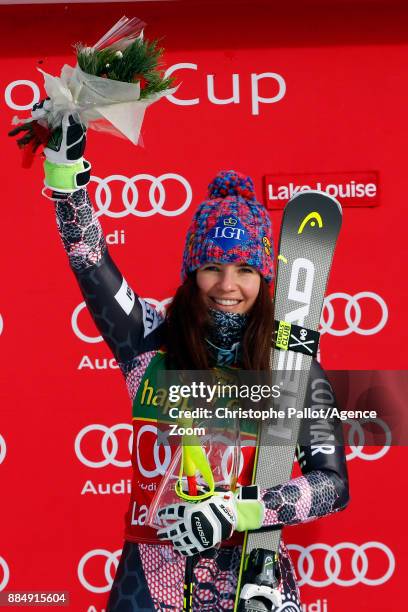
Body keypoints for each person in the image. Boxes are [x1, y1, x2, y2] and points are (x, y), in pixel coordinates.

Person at [40, 112, 349, 611]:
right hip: (146, 586)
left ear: (265, 277)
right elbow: (90, 260)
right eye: (212, 267)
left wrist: (236, 513)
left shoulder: (292, 365)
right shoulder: (148, 339)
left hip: (252, 583)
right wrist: (65, 178)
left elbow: (332, 485)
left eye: (245, 269)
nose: (228, 286)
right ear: (191, 272)